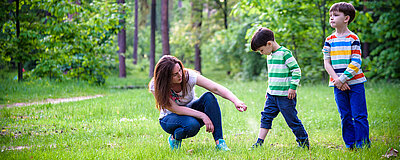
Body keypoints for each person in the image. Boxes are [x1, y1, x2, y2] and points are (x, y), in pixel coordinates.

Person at [148, 55, 248, 151]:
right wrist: (203, 116)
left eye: (180, 70)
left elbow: (215, 88)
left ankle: (220, 142)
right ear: (165, 77)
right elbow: (175, 109)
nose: (180, 75)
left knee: (209, 97)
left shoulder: (189, 76)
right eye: (175, 74)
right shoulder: (156, 85)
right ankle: (175, 138)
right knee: (192, 125)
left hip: (192, 110)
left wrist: (235, 100)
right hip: (170, 118)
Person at [249, 27, 309, 149]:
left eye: (261, 50)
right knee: (266, 117)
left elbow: (296, 71)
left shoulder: (284, 53)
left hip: (285, 96)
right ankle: (259, 142)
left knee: (292, 120)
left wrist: (293, 88)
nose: (261, 53)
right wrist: (268, 89)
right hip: (272, 95)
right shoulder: (270, 56)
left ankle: (303, 141)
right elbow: (272, 75)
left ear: (269, 44)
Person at [322, 2, 370, 149]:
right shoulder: (329, 40)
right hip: (337, 85)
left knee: (359, 115)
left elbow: (356, 63)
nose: (331, 18)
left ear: (346, 18)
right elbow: (326, 63)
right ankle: (350, 145)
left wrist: (342, 79)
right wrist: (337, 81)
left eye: (335, 15)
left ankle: (362, 145)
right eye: (330, 15)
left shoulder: (353, 38)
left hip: (355, 83)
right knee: (345, 115)